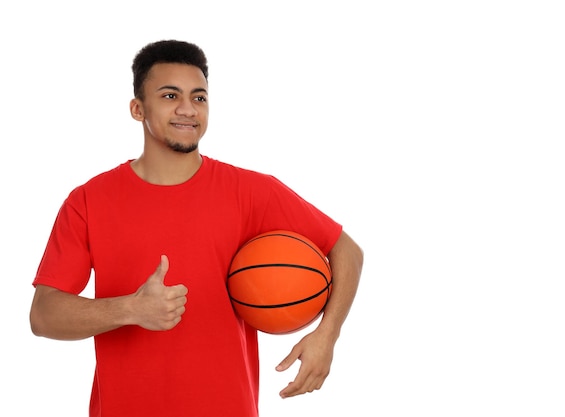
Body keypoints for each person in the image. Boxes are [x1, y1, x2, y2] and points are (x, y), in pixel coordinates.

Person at [29, 39, 363, 417]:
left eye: (199, 98)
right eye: (170, 95)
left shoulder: (252, 192)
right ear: (138, 109)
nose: (188, 109)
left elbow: (346, 250)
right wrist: (131, 310)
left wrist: (327, 335)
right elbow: (43, 315)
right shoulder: (88, 200)